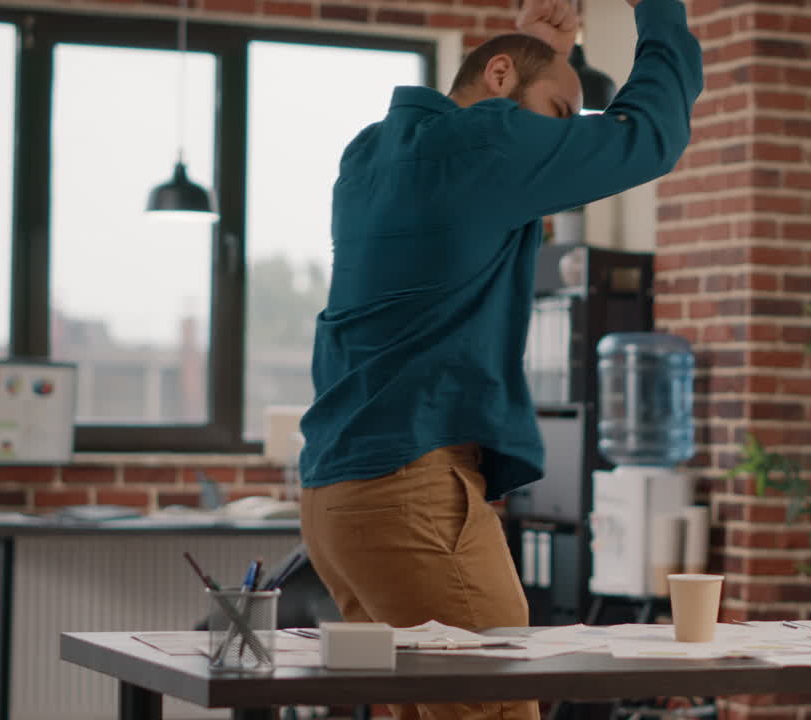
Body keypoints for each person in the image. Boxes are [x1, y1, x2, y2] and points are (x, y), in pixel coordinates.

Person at [298, 0, 701, 717]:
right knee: (502, 705)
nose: (559, 139)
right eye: (556, 110)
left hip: (338, 500)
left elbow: (473, 146)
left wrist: (541, 53)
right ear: (499, 74)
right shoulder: (489, 147)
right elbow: (652, 136)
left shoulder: (369, 155)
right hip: (411, 491)